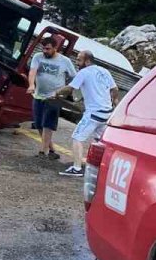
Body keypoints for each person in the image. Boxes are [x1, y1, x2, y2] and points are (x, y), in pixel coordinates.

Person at [55, 49, 119, 177]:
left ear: (87, 61)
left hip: (93, 113)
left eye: (79, 60)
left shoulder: (83, 72)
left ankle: (77, 168)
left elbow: (70, 88)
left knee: (77, 137)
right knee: (102, 141)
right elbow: (115, 88)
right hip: (106, 113)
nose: (77, 62)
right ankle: (106, 168)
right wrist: (115, 101)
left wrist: (57, 93)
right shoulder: (104, 71)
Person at [27, 35, 75, 159]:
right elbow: (32, 72)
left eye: (48, 49)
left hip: (54, 98)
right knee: (38, 124)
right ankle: (52, 150)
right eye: (43, 48)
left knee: (47, 124)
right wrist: (31, 85)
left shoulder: (65, 61)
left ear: (55, 48)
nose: (45, 51)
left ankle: (43, 152)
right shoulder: (38, 57)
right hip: (38, 95)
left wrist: (65, 91)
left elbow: (73, 77)